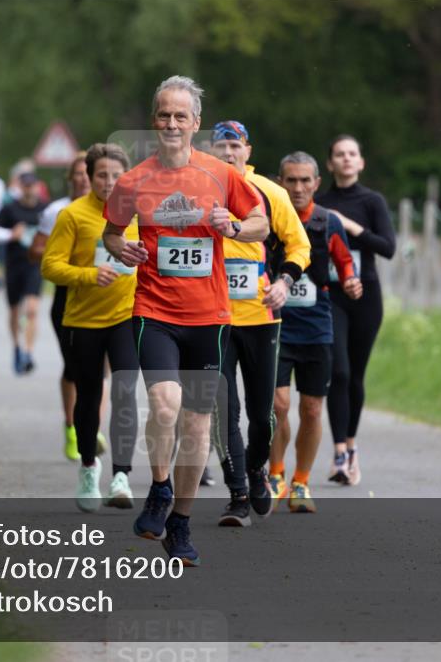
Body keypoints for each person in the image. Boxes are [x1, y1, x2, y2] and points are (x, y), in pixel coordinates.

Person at [103, 75, 268, 566]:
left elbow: (260, 224)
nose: (171, 123)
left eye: (181, 116)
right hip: (154, 310)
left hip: (210, 316)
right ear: (153, 120)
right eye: (163, 115)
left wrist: (234, 226)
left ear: (195, 123)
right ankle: (158, 487)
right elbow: (112, 233)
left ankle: (180, 523)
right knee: (166, 403)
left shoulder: (221, 174)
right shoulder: (133, 181)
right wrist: (123, 248)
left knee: (197, 427)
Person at [207, 121, 312, 527]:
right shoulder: (199, 189)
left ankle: (255, 471)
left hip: (260, 316)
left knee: (262, 412)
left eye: (235, 145)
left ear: (247, 151)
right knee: (223, 409)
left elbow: (299, 245)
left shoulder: (271, 193)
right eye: (221, 146)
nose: (228, 153)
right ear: (210, 151)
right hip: (212, 317)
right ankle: (236, 495)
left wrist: (285, 282)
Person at [42, 143, 140, 512]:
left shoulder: (138, 214)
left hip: (127, 316)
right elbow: (50, 267)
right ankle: (88, 465)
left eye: (117, 175)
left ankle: (121, 476)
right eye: (102, 175)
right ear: (89, 177)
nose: (109, 182)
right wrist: (88, 274)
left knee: (126, 391)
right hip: (83, 321)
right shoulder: (73, 216)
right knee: (88, 398)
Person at [270, 152, 362, 513]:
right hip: (276, 326)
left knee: (311, 410)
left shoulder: (327, 222)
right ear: (280, 182)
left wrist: (352, 281)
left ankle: (301, 482)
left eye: (305, 180)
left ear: (316, 184)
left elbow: (345, 263)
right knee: (278, 406)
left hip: (316, 328)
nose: (297, 188)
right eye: (290, 180)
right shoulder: (271, 220)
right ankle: (275, 474)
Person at [317, 135, 395, 485]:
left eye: (352, 154)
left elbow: (387, 247)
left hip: (367, 296)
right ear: (330, 164)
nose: (347, 159)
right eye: (339, 155)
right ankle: (337, 453)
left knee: (357, 376)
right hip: (331, 295)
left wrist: (348, 226)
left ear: (361, 162)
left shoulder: (372, 201)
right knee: (340, 372)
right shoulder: (319, 202)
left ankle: (351, 445)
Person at [30, 152, 105, 461]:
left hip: (102, 297)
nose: (84, 178)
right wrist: (64, 253)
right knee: (74, 368)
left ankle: (94, 426)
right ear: (71, 177)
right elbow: (35, 251)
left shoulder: (110, 211)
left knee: (101, 369)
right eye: (78, 173)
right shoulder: (56, 211)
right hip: (68, 296)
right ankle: (72, 426)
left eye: (89, 173)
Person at [0, 172, 47, 374]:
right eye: (25, 185)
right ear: (20, 187)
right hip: (14, 264)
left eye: (32, 185)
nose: (29, 189)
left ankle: (28, 351)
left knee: (32, 309)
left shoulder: (45, 209)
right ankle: (17, 346)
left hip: (35, 265)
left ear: (37, 186)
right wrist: (11, 234)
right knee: (15, 310)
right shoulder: (10, 209)